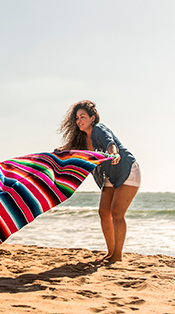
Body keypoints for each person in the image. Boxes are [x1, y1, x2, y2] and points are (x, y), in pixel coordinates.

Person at [58, 100, 141, 263]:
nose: (79, 120)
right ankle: (111, 252)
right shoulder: (82, 139)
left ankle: (118, 255)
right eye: (77, 118)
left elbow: (110, 143)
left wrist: (114, 154)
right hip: (110, 175)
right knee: (104, 213)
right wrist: (54, 155)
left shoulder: (99, 129)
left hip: (127, 170)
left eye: (82, 116)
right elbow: (68, 150)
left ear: (92, 118)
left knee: (117, 213)